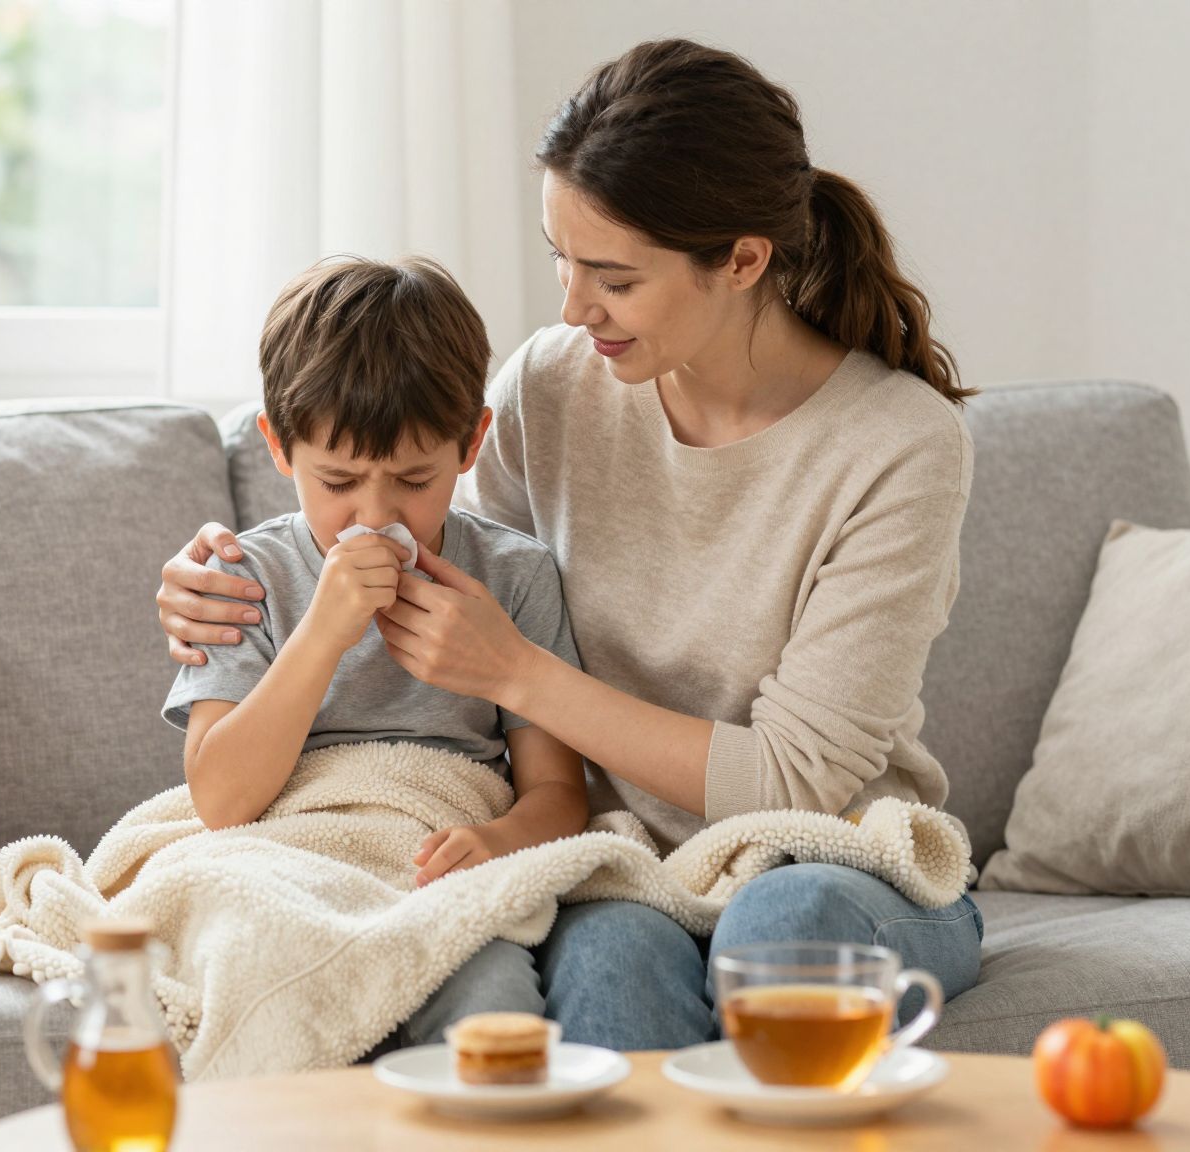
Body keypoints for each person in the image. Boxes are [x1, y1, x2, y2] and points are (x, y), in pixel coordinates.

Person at [157, 38, 983, 1050]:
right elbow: (415, 526)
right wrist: (217, 576)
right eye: (559, 258)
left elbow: (793, 784)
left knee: (782, 935)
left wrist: (517, 671)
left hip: (824, 859)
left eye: (611, 278)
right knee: (604, 965)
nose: (568, 307)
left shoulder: (894, 445)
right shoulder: (554, 384)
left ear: (741, 259)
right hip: (615, 862)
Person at [164, 254, 589, 1044]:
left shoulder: (514, 577)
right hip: (288, 865)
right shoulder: (241, 580)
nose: (376, 514)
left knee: (492, 989)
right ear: (278, 447)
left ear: (471, 445)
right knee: (264, 966)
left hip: (437, 868)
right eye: (338, 481)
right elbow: (221, 802)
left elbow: (561, 796)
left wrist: (495, 843)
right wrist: (323, 631)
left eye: (414, 478)